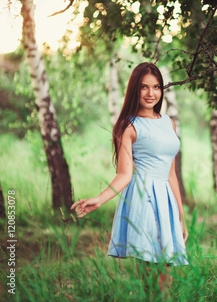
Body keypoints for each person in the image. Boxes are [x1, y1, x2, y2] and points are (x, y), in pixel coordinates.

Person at [71, 62, 188, 291]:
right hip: (144, 199)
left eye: (156, 87)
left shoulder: (168, 122)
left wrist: (180, 217)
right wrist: (99, 199)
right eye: (144, 87)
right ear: (135, 89)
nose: (151, 93)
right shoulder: (129, 126)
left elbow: (171, 174)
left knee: (165, 275)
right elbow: (124, 174)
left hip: (166, 200)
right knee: (153, 274)